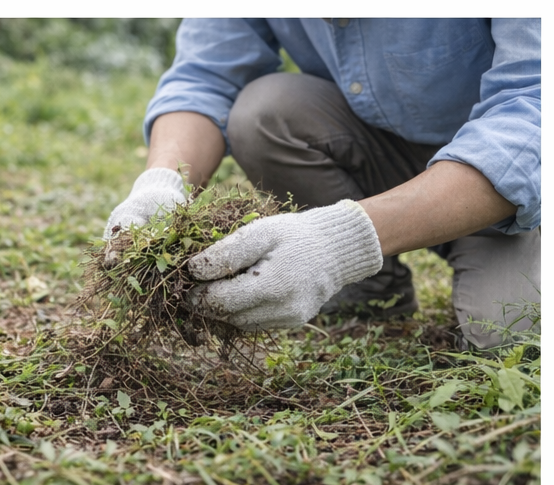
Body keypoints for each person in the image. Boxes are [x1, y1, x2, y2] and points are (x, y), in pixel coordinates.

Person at [104, 19, 540, 349]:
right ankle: (370, 288)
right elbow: (205, 75)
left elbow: (536, 107)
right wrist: (161, 184)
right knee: (265, 112)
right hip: (386, 150)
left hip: (522, 184)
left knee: (507, 334)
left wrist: (341, 241)